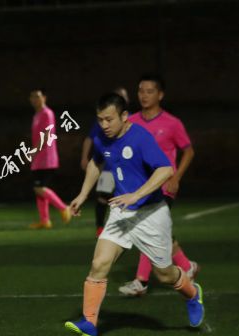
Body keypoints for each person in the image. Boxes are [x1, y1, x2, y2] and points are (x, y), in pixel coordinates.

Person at [64, 93, 204, 336]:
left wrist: (135, 195)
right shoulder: (101, 137)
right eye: (100, 119)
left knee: (164, 275)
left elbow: (165, 170)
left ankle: (192, 294)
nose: (104, 125)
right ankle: (90, 323)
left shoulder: (140, 137)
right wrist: (83, 194)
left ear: (125, 116)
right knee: (99, 263)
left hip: (151, 213)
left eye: (109, 119)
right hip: (121, 212)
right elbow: (96, 162)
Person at [118, 74, 199, 297]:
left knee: (148, 228)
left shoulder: (172, 123)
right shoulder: (131, 122)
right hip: (140, 189)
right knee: (158, 231)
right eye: (141, 91)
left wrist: (176, 177)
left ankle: (141, 281)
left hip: (163, 187)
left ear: (160, 95)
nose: (144, 95)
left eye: (150, 91)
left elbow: (189, 151)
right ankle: (187, 265)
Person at [80, 87, 129, 237]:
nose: (104, 124)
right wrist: (85, 157)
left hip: (128, 172)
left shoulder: (133, 122)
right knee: (103, 197)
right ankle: (100, 227)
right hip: (108, 170)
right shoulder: (103, 123)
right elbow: (90, 139)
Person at [28, 89, 72, 229]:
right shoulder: (37, 115)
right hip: (38, 159)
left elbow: (46, 135)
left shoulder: (47, 113)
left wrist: (34, 151)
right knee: (39, 189)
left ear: (44, 98)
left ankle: (63, 207)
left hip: (46, 157)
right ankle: (45, 220)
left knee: (39, 188)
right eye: (33, 97)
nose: (35, 99)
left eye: (38, 96)